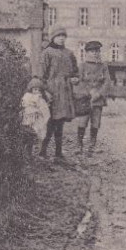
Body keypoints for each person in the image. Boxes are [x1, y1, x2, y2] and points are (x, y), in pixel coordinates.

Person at [38, 26, 78, 165]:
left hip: (65, 92)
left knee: (60, 123)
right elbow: (41, 76)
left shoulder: (69, 53)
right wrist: (45, 92)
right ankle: (42, 152)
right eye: (58, 36)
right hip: (52, 92)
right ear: (53, 38)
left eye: (63, 36)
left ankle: (58, 153)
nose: (61, 38)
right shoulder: (47, 53)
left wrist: (75, 79)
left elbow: (75, 72)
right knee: (50, 122)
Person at [76, 41, 110, 153]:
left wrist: (99, 93)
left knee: (95, 122)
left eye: (97, 51)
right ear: (86, 52)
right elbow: (79, 82)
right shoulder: (82, 66)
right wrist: (88, 92)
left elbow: (107, 82)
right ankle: (79, 144)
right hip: (85, 99)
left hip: (98, 100)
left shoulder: (103, 66)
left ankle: (92, 145)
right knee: (82, 122)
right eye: (92, 51)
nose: (95, 53)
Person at [21, 76, 50, 158]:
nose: (37, 92)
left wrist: (40, 111)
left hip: (37, 121)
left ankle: (35, 154)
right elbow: (24, 105)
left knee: (37, 136)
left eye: (39, 90)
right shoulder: (27, 97)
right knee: (28, 136)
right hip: (28, 121)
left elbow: (45, 111)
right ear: (31, 89)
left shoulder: (42, 99)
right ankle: (26, 154)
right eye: (35, 89)